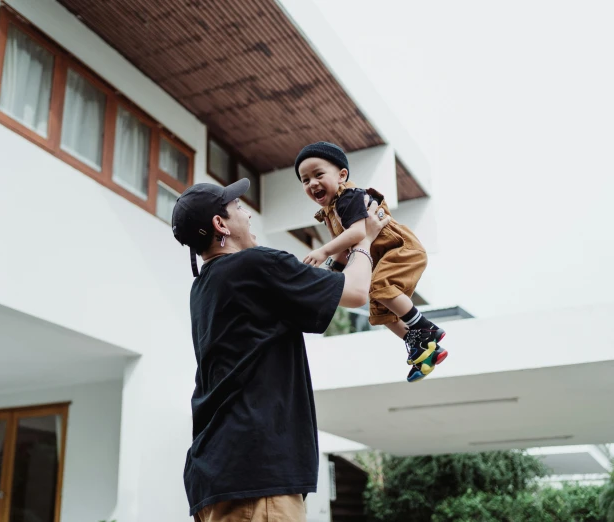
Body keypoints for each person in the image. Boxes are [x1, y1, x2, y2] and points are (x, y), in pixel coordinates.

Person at [171, 177, 389, 521]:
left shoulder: (206, 286)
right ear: (219, 224)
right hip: (258, 479)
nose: (248, 216)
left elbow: (299, 295)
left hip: (216, 476)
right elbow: (358, 292)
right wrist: (365, 240)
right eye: (239, 208)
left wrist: (337, 258)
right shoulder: (255, 265)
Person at [294, 141, 448, 383]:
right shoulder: (329, 214)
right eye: (305, 180)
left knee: (381, 288)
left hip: (401, 249)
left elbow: (356, 234)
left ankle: (425, 328)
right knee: (380, 312)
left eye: (318, 174)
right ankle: (425, 350)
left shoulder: (349, 197)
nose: (312, 183)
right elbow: (344, 248)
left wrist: (323, 252)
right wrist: (331, 273)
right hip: (383, 257)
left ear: (342, 175)